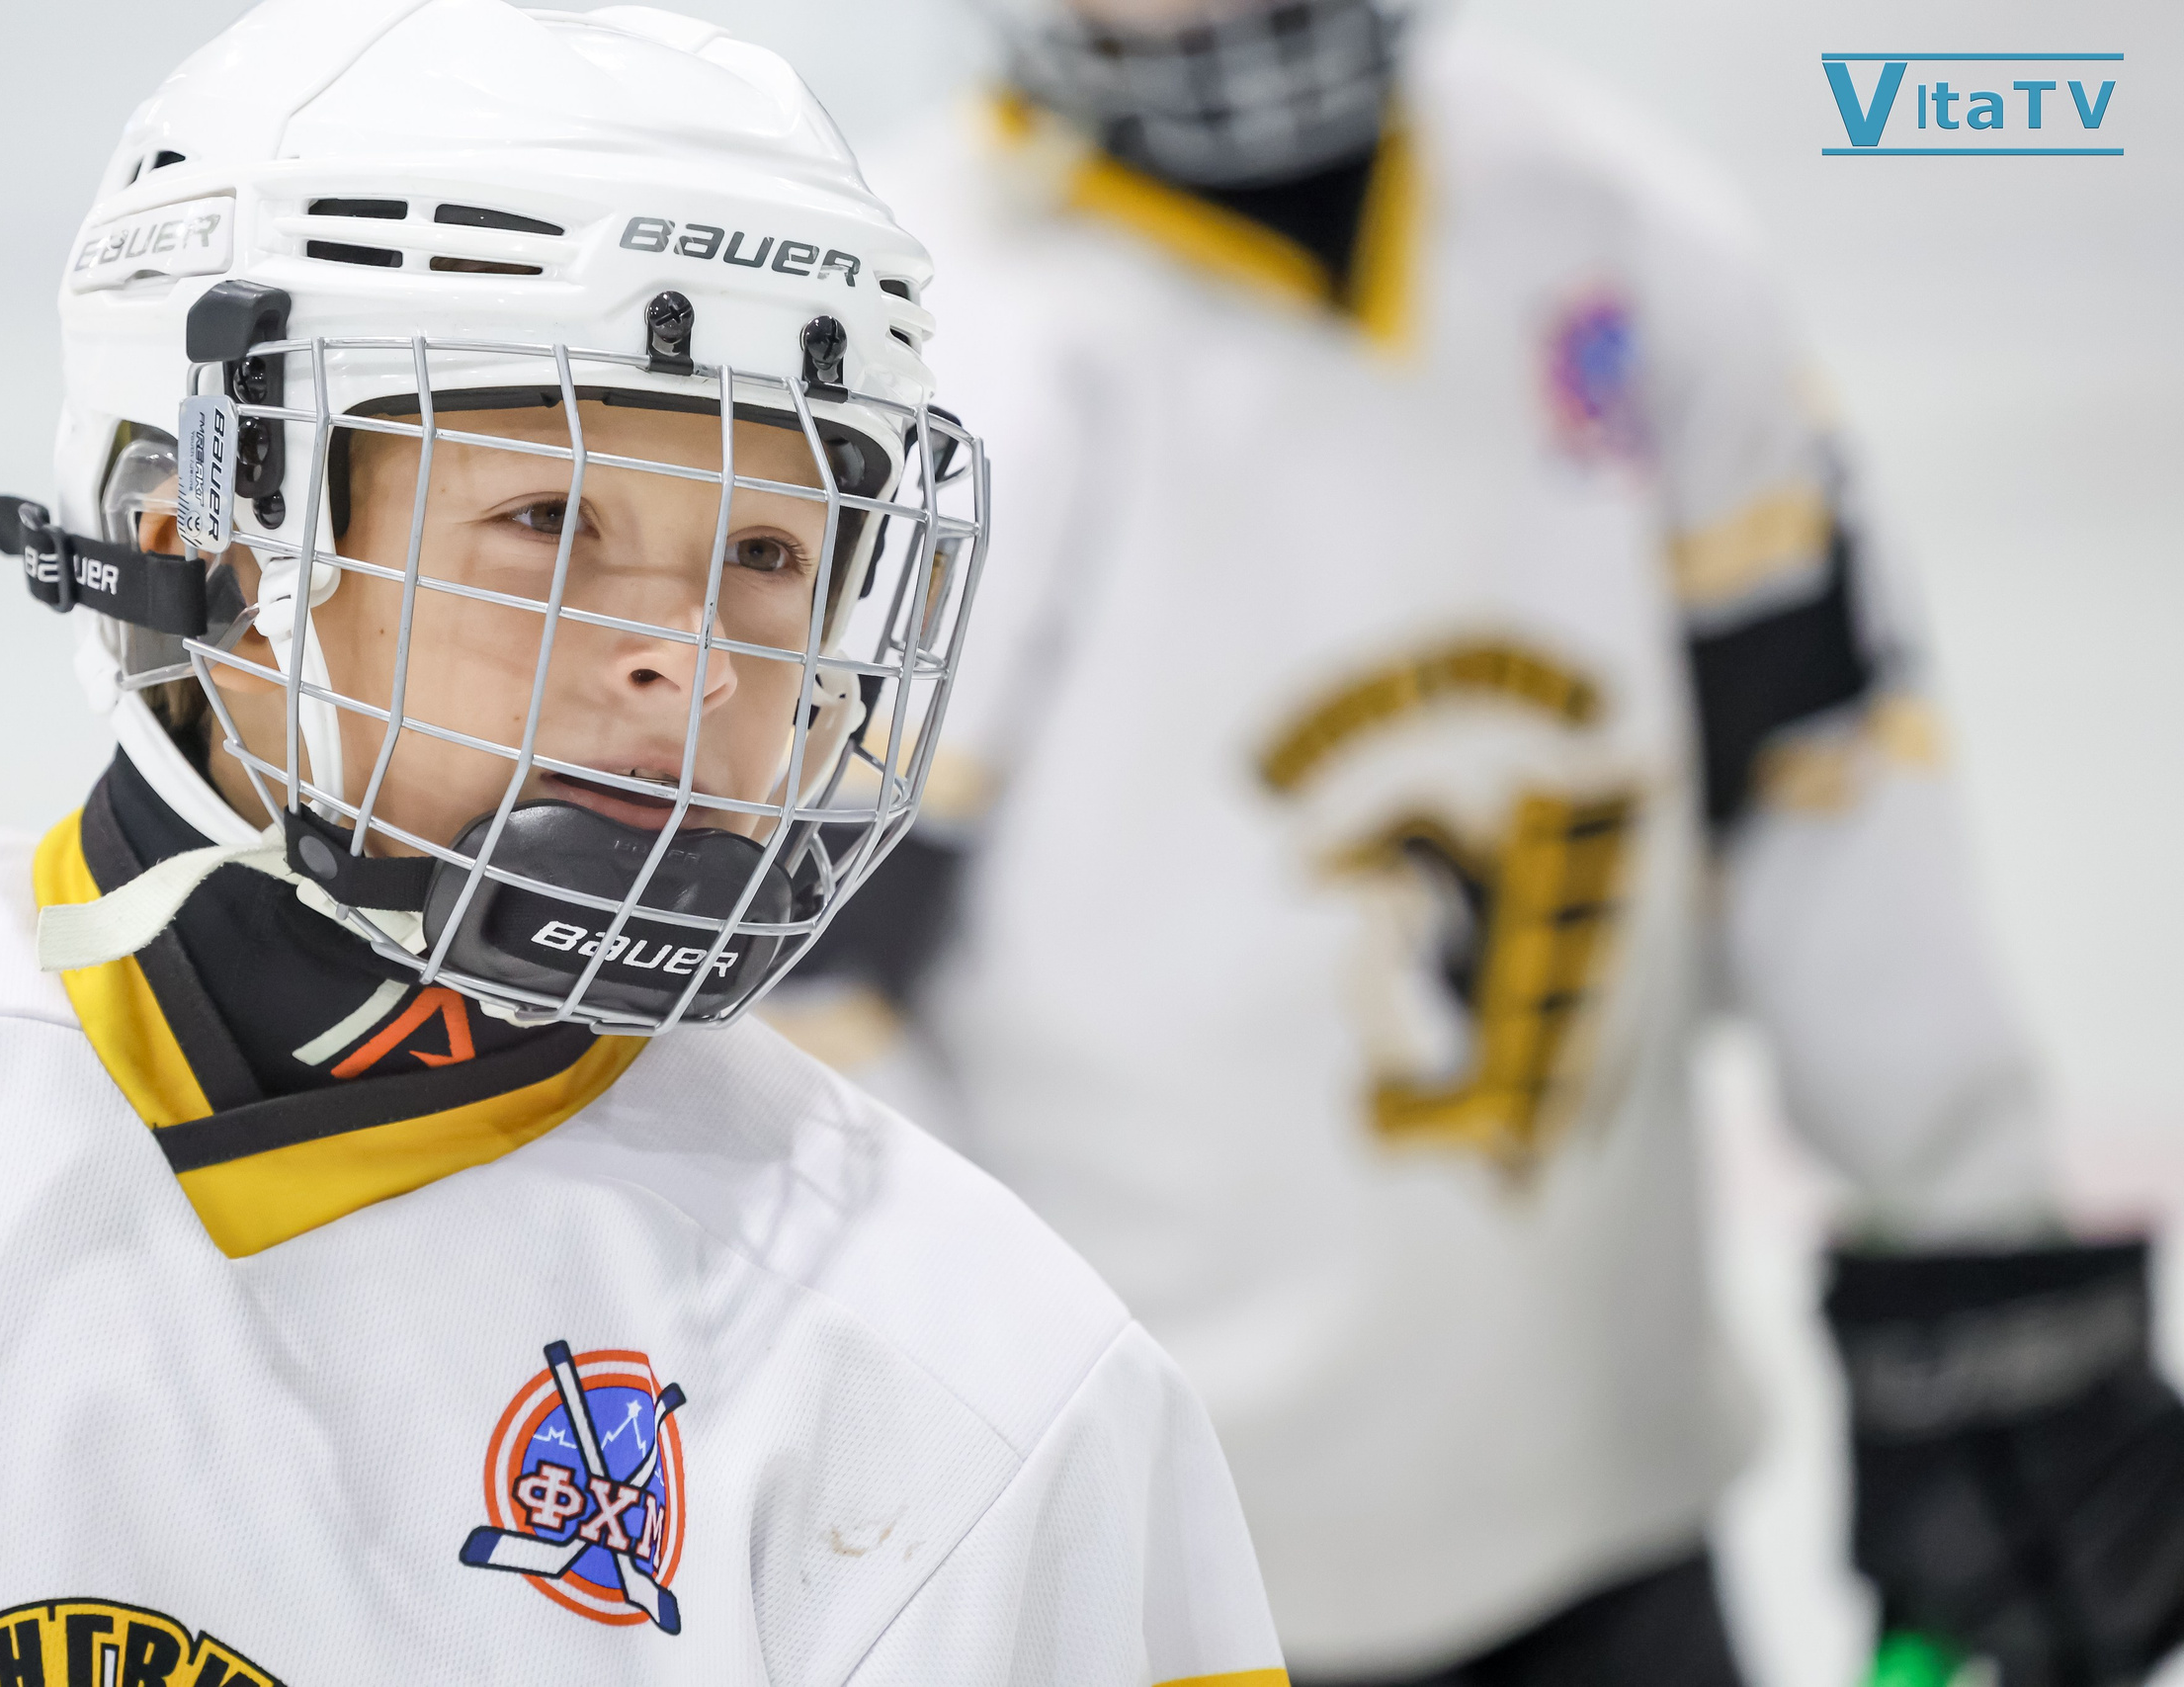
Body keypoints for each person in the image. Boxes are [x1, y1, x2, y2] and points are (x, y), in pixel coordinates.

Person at [0, 4, 1291, 1683]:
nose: (697, 656)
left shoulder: (976, 1383)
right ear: (191, 552)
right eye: (547, 520)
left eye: (773, 555)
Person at [768, 1, 2184, 1682]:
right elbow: (809, 988)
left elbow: (1824, 783)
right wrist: (984, 1448)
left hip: (1613, 1518)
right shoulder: (940, 338)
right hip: (1170, 1584)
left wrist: (1977, 1245)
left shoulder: (1616, 233)